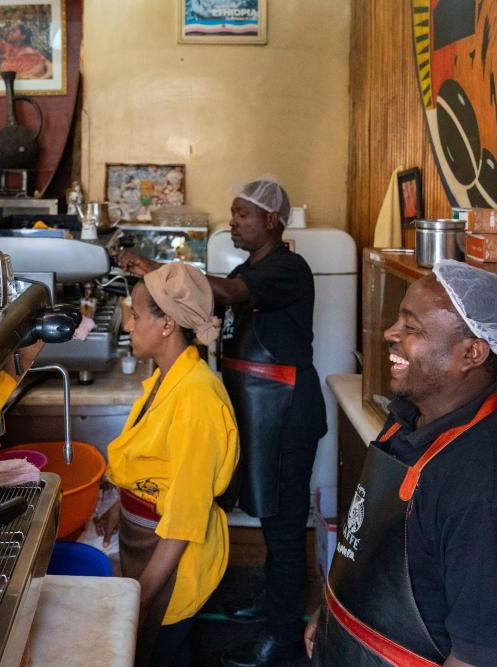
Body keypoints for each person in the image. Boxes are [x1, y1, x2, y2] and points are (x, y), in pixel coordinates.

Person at [305, 259, 497, 667]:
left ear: (471, 353)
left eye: (412, 327)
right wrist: (333, 610)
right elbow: (367, 540)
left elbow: (480, 660)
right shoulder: (407, 417)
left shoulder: (490, 493)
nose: (390, 334)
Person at [118, 176, 327, 666]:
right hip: (259, 413)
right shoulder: (246, 268)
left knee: (283, 528)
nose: (233, 221)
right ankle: (272, 603)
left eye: (242, 213)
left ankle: (282, 636)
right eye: (232, 213)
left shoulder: (287, 269)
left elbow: (229, 292)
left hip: (286, 417)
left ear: (272, 220)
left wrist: (161, 273)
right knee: (268, 518)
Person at [95, 262, 238, 667]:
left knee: (161, 651)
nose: (128, 325)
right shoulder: (166, 379)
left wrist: (141, 597)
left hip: (171, 564)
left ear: (167, 325)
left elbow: (184, 519)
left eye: (136, 315)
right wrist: (122, 506)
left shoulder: (196, 400)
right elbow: (157, 470)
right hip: (146, 543)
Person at [0, 14, 52, 79]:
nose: (10, 32)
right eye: (11, 30)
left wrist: (41, 78)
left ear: (23, 36)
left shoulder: (30, 51)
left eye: (14, 31)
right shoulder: (5, 46)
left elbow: (49, 67)